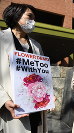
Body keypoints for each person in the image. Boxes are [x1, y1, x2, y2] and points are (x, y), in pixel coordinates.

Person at [0, 3, 47, 133]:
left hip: (35, 107)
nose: (33, 21)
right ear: (15, 16)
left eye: (34, 18)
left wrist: (48, 94)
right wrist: (3, 100)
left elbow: (43, 76)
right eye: (29, 16)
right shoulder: (1, 39)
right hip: (12, 107)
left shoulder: (36, 45)